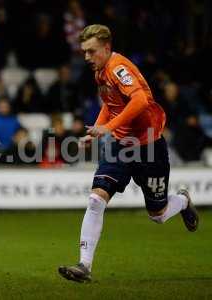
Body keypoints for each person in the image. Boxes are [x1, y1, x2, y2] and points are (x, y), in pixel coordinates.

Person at [58, 25, 199, 283]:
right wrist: (97, 131)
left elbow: (140, 101)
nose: (87, 57)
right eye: (84, 52)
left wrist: (108, 127)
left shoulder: (118, 68)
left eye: (91, 51)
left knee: (158, 214)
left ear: (106, 47)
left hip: (149, 147)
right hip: (121, 146)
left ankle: (182, 201)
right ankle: (84, 265)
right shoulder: (100, 71)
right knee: (96, 199)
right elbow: (110, 105)